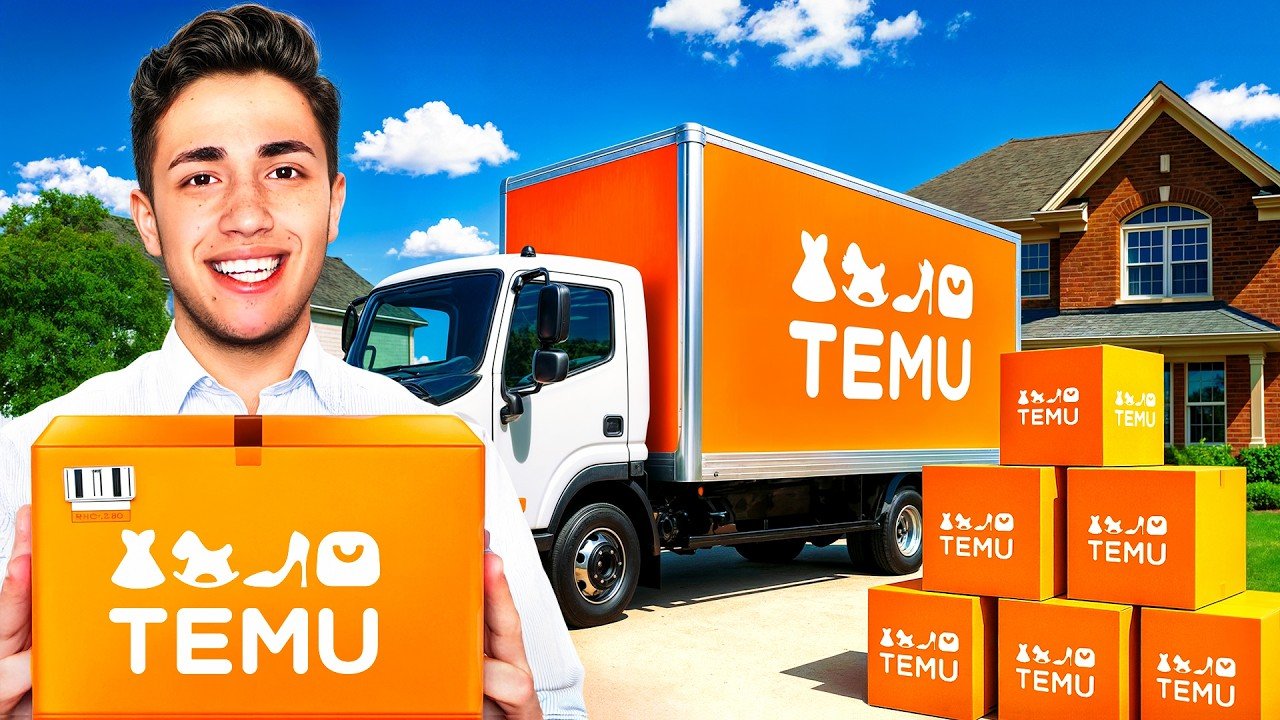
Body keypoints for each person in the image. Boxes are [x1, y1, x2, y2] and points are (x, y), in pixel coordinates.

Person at [0, 5, 586, 718]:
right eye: (200, 178)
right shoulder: (22, 465)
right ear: (147, 219)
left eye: (283, 170)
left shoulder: (451, 460)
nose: (247, 214)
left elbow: (558, 703)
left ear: (333, 204)